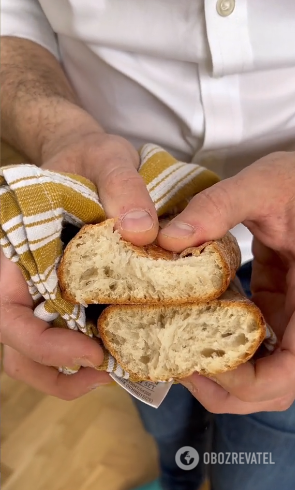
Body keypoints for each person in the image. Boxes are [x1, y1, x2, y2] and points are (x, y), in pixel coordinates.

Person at [1, 2, 295, 490]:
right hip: (103, 195)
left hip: (285, 250)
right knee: (162, 416)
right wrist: (57, 131)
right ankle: (173, 479)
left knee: (258, 465)